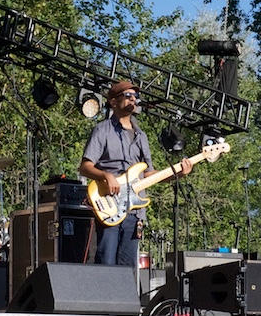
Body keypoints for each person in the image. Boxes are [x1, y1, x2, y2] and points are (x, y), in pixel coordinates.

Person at [79, 81, 192, 268]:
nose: (133, 99)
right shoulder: (103, 130)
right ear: (113, 102)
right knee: (106, 262)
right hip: (110, 203)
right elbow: (85, 167)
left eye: (135, 96)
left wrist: (178, 174)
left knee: (128, 266)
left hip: (135, 210)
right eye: (127, 95)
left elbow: (149, 174)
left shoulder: (142, 136)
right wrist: (106, 175)